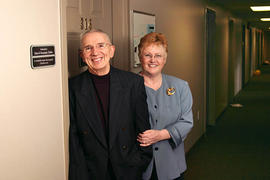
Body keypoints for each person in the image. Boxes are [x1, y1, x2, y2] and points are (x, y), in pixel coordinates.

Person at [68, 29, 152, 180]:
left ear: (111, 51)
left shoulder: (133, 83)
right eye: (88, 48)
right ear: (82, 55)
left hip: (128, 170)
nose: (95, 52)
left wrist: (140, 162)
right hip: (91, 172)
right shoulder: (72, 87)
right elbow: (74, 139)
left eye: (101, 45)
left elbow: (143, 129)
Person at [137, 32, 193, 180]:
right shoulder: (128, 88)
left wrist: (160, 135)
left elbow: (187, 122)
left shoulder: (180, 86)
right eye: (147, 55)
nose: (153, 60)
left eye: (158, 55)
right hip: (138, 166)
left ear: (165, 59)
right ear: (140, 57)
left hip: (172, 165)